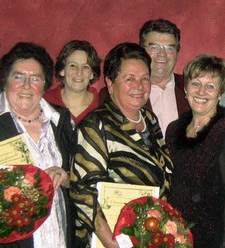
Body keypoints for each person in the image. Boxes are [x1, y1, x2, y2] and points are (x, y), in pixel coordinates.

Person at [0, 42, 75, 247]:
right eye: (18, 77)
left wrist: (65, 177)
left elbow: (81, 177)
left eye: (35, 79)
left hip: (57, 236)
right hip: (5, 240)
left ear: (45, 84)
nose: (26, 86)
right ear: (5, 80)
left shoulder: (61, 119)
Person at [70, 43, 174, 248]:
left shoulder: (150, 119)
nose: (139, 86)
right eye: (129, 79)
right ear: (110, 84)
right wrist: (113, 242)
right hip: (108, 240)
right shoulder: (96, 125)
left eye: (145, 78)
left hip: (147, 233)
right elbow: (83, 192)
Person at [166, 54, 225, 248]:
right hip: (179, 233)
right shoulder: (173, 129)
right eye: (196, 84)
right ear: (185, 88)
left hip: (216, 235)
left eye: (210, 86)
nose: (201, 92)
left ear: (220, 93)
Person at [139, 19, 191, 132]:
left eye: (169, 48)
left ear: (177, 52)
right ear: (142, 50)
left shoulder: (194, 88)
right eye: (154, 47)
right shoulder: (125, 91)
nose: (162, 54)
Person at [44, 40, 102, 125]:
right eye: (73, 65)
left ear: (92, 74)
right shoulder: (45, 102)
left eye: (85, 67)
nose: (79, 72)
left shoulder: (101, 105)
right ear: (62, 70)